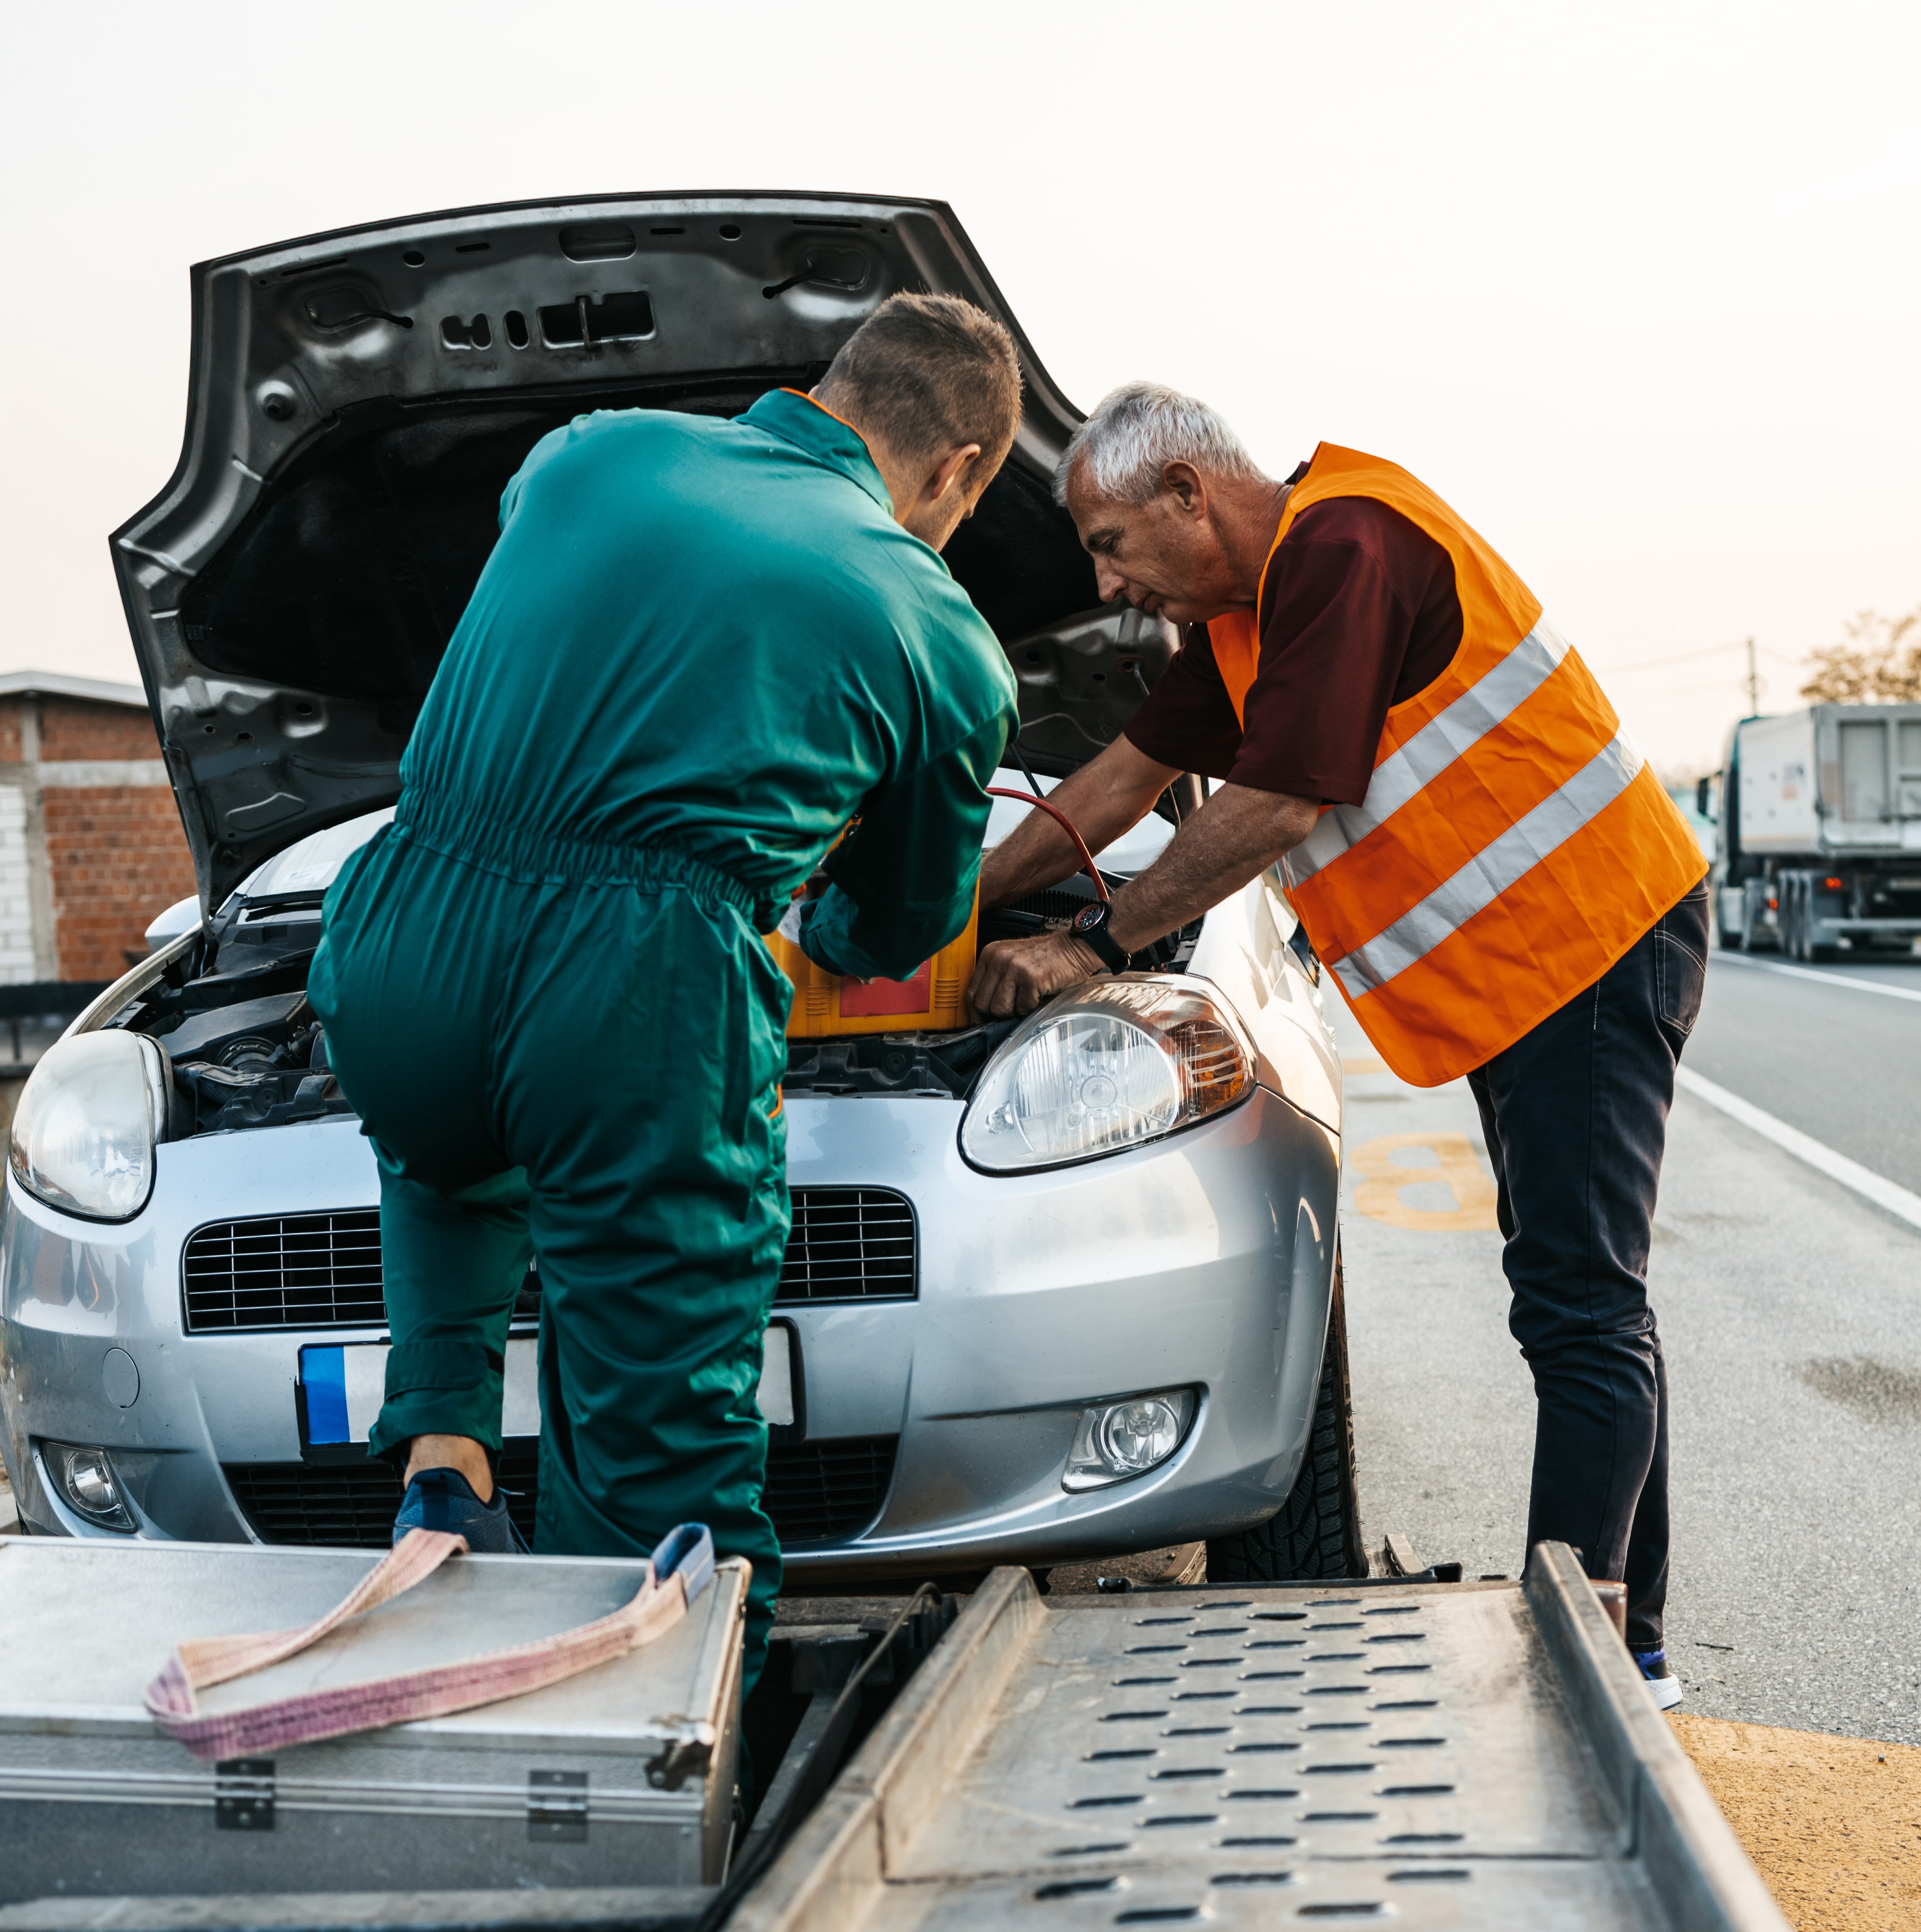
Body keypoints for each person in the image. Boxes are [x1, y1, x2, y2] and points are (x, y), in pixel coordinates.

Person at [311, 293, 1022, 1685]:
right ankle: (672, 1781)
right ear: (959, 473)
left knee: (453, 1153)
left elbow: (563, 583)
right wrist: (816, 897)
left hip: (400, 927)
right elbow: (894, 928)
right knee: (669, 1443)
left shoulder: (592, 449)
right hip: (631, 995)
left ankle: (444, 1448)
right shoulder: (935, 625)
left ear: (830, 386)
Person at [971, 384, 1708, 1707]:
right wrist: (951, 912)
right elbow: (1116, 781)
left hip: (1595, 938)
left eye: (1114, 542)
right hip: (1534, 965)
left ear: (1192, 493)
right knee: (1582, 1296)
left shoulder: (1347, 550)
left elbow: (1277, 800)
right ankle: (1633, 1637)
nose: (1109, 582)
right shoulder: (1257, 618)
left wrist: (1099, 941)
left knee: (1580, 1300)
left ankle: (1593, 1651)